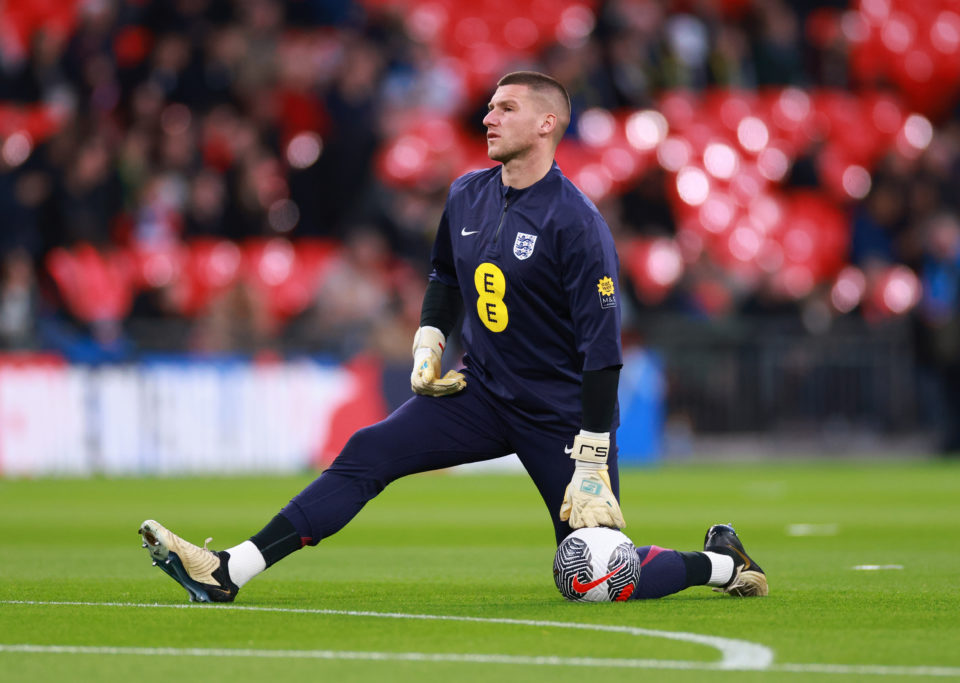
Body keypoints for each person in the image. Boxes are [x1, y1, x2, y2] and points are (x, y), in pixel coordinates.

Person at [139, 71, 768, 602]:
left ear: (547, 124)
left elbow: (602, 351)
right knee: (368, 451)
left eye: (506, 107)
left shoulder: (577, 223)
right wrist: (429, 342)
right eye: (490, 105)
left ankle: (721, 564)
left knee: (594, 576)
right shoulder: (467, 194)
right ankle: (229, 571)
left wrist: (595, 455)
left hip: (559, 416)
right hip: (482, 391)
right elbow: (444, 274)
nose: (488, 116)